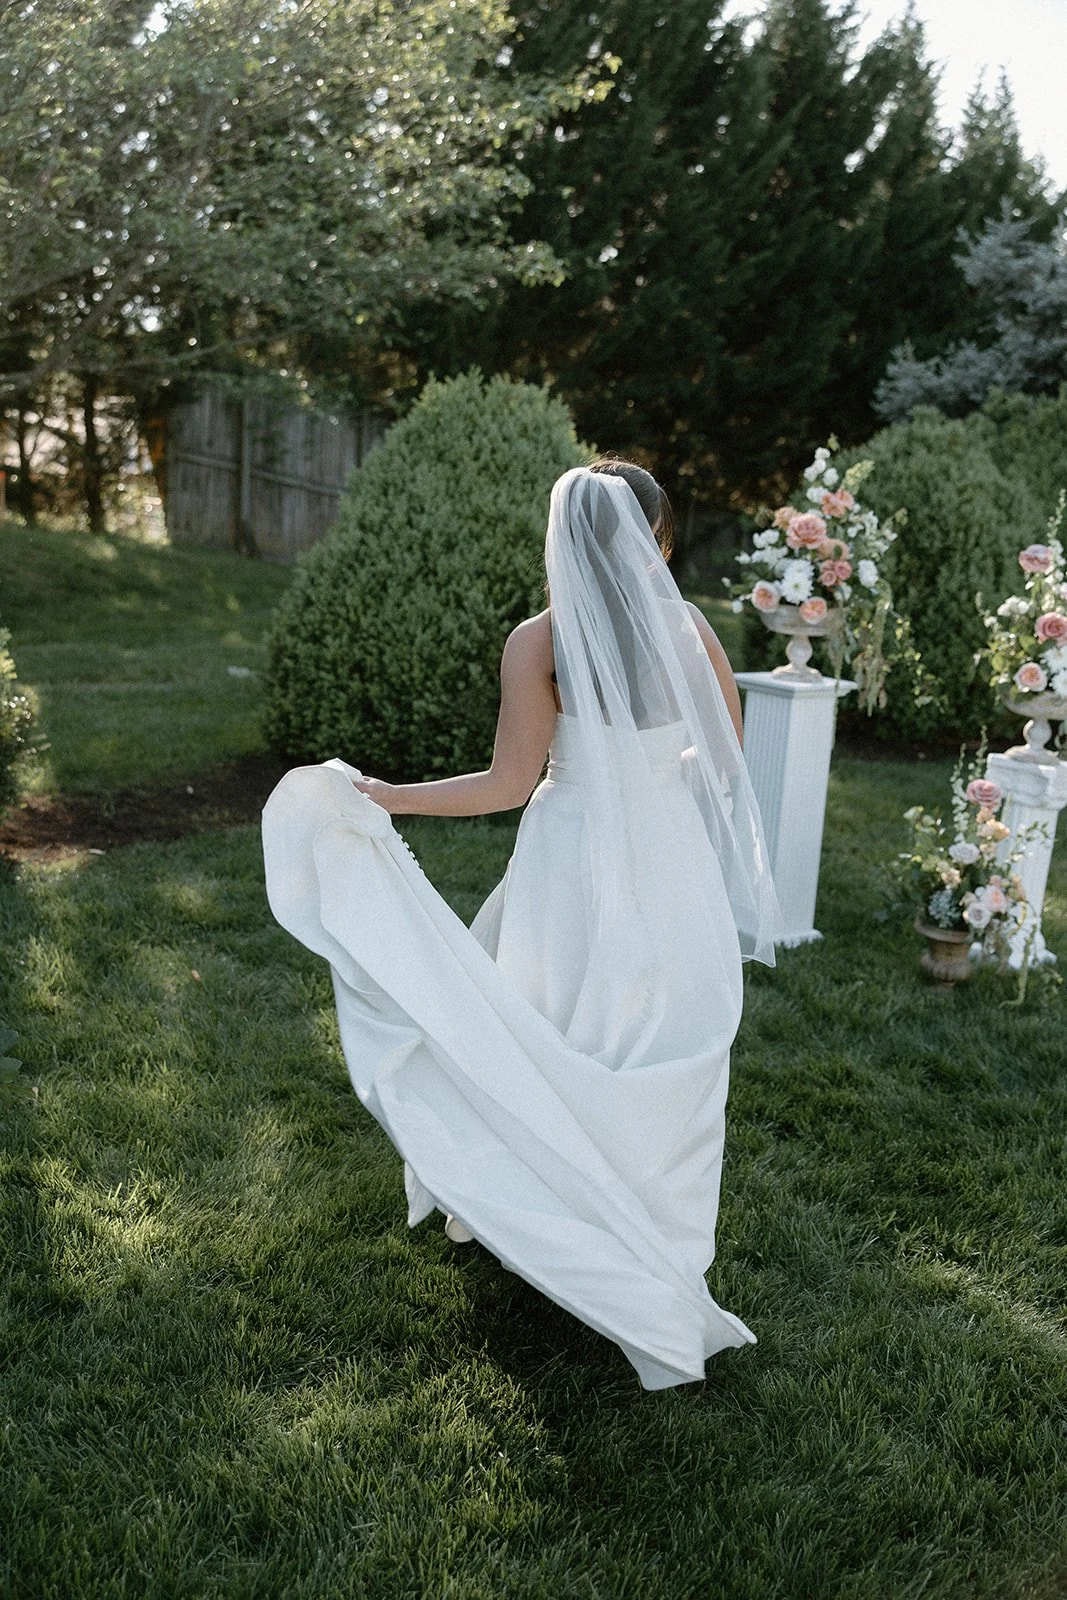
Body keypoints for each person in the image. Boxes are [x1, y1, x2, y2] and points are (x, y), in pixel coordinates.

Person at [262, 461, 780, 1390]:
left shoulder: (537, 643)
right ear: (655, 536)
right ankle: (656, 1242)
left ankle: (550, 1203)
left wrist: (386, 797)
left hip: (569, 863)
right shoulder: (690, 627)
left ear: (560, 540)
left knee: (549, 1032)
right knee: (661, 1044)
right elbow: (726, 756)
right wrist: (653, 774)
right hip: (669, 866)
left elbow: (505, 786)